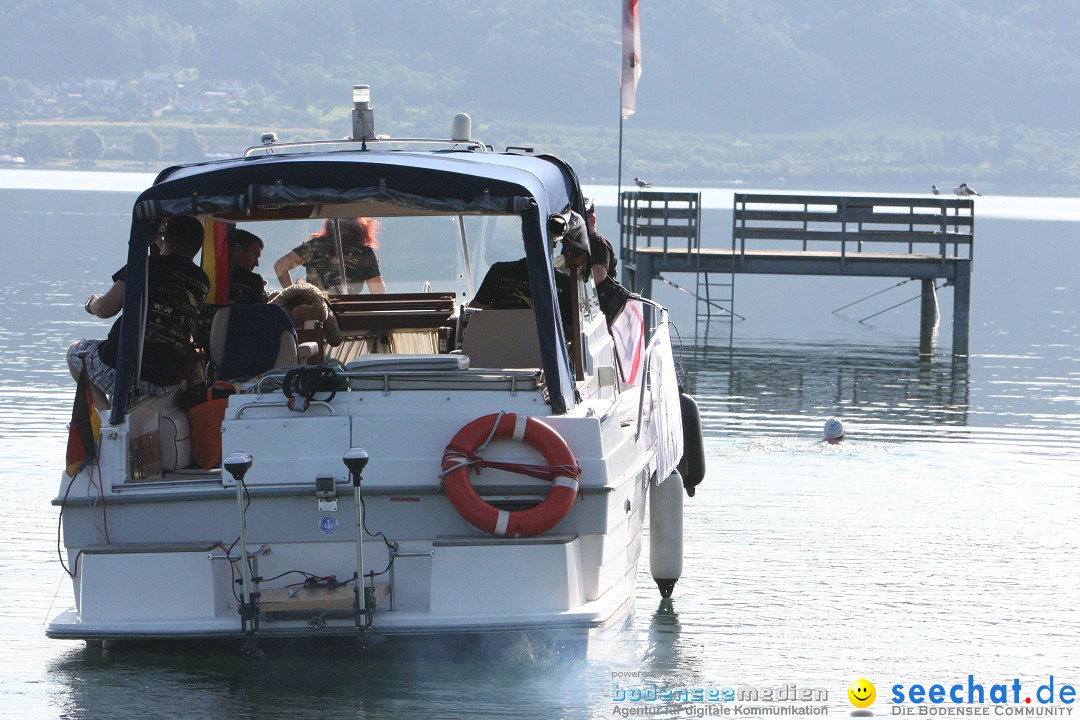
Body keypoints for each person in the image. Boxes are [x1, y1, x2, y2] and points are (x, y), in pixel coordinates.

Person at [68, 216, 210, 409]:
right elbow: (173, 260)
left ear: (171, 240)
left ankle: (107, 419)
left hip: (124, 369)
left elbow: (106, 309)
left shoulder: (144, 266)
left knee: (75, 352)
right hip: (167, 379)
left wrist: (91, 303)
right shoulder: (201, 281)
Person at [274, 217, 386, 294]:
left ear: (329, 225)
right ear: (361, 228)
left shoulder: (314, 246)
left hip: (317, 307)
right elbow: (378, 291)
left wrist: (294, 296)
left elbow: (280, 266)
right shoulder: (364, 252)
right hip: (347, 307)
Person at [469, 257, 573, 329]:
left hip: (495, 345)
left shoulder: (500, 270)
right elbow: (570, 331)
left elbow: (474, 310)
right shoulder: (564, 282)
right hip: (543, 354)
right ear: (554, 244)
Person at [583, 197, 633, 323]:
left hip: (599, 311)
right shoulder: (577, 245)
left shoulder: (598, 243)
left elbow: (598, 276)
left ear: (592, 220)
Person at [229, 228, 269, 304]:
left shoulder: (212, 276)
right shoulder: (254, 280)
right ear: (237, 250)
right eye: (255, 256)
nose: (257, 264)